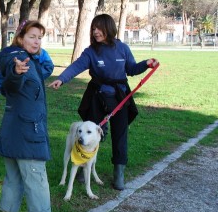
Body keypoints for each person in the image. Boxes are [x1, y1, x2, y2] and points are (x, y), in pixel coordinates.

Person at [49, 14, 159, 191]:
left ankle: (119, 173)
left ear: (109, 28)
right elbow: (77, 66)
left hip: (119, 97)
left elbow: (131, 69)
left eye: (99, 28)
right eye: (93, 28)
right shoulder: (91, 51)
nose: (95, 32)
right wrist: (62, 79)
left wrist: (146, 63)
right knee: (87, 132)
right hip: (97, 96)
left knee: (120, 135)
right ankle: (80, 166)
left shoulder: (122, 48)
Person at [0, 20, 69, 212]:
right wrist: (16, 72)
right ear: (20, 38)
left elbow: (45, 68)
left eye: (39, 37)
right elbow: (11, 83)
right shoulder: (18, 59)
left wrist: (30, 59)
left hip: (14, 130)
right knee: (37, 180)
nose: (36, 41)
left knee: (13, 178)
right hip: (27, 133)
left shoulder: (30, 59)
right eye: (32, 36)